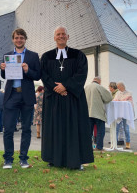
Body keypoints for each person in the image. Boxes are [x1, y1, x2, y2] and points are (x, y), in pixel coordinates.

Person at [41, 26, 94, 170]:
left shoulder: (78, 55)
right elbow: (44, 75)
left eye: (63, 34)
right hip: (54, 99)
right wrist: (56, 88)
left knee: (73, 128)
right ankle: (54, 158)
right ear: (54, 38)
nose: (61, 36)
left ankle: (75, 160)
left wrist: (66, 86)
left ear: (68, 37)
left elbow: (82, 74)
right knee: (54, 128)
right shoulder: (46, 56)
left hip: (73, 99)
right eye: (58, 34)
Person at [0, 28, 41, 169]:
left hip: (27, 95)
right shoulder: (8, 55)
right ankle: (8, 159)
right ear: (13, 39)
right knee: (9, 129)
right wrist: (3, 69)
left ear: (25, 39)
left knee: (26, 129)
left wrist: (27, 70)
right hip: (11, 95)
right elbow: (4, 76)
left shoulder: (33, 56)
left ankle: (24, 158)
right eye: (16, 37)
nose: (19, 40)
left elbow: (37, 75)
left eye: (21, 37)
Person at [85, 77, 112, 151]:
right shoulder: (99, 87)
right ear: (99, 81)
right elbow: (109, 98)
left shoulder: (86, 87)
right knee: (100, 130)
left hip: (88, 112)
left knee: (88, 131)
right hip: (98, 112)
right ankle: (99, 147)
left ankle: (87, 147)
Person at [113, 82, 134, 149]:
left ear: (122, 86)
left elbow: (130, 103)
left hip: (125, 113)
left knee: (126, 128)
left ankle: (128, 143)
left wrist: (122, 101)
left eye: (118, 86)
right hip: (119, 113)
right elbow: (115, 100)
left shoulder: (129, 93)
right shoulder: (117, 93)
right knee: (117, 128)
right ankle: (114, 142)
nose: (118, 88)